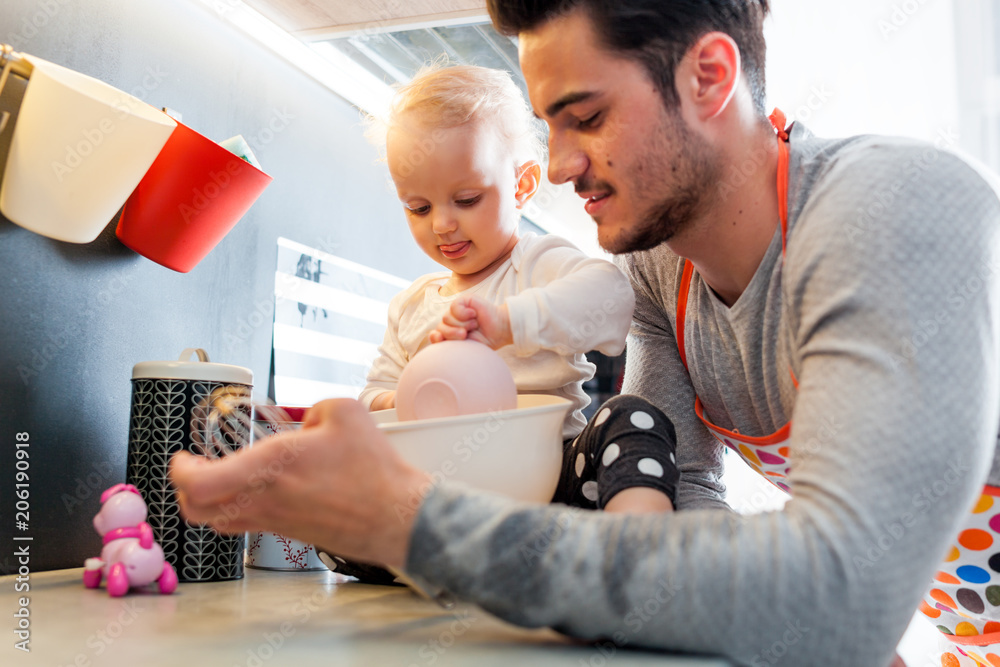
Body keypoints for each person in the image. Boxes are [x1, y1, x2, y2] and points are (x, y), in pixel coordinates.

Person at [170, 1, 1000, 664]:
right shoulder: (659, 272)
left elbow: (842, 591)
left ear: (709, 76)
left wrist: (409, 521)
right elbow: (682, 502)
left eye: (587, 116)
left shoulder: (892, 204)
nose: (559, 164)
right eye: (548, 124)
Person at [324, 64, 679, 583]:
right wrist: (414, 391)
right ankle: (446, 555)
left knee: (633, 419)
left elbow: (611, 300)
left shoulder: (538, 264)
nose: (442, 223)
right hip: (442, 497)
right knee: (334, 496)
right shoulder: (411, 306)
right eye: (417, 207)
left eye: (466, 199)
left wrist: (508, 322)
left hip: (552, 486)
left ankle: (637, 564)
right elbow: (374, 396)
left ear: (522, 184)